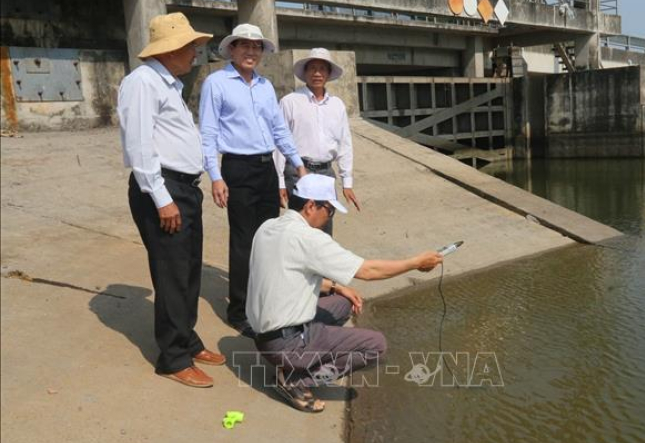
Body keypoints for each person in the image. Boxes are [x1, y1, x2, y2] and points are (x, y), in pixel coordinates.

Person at [246, 174, 443, 412]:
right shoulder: (308, 238)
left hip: (264, 336)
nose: (329, 217)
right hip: (286, 344)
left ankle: (294, 362)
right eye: (329, 210)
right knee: (376, 347)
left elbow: (287, 277)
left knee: (343, 302)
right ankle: (296, 380)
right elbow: (368, 271)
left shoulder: (268, 226)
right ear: (311, 206)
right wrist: (415, 262)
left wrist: (338, 287)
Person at [117, 12, 225, 388]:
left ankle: (187, 340)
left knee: (189, 270)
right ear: (170, 49)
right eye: (191, 47)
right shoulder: (143, 82)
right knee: (172, 274)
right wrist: (162, 198)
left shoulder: (169, 84)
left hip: (183, 189)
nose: (196, 52)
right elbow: (139, 145)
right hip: (162, 190)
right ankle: (173, 358)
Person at [199, 24, 307, 337]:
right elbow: (207, 133)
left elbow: (279, 130)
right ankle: (240, 311)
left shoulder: (264, 86)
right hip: (237, 168)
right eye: (244, 45)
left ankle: (266, 301)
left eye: (256, 46)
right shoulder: (216, 83)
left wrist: (297, 164)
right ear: (231, 49)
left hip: (265, 169)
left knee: (269, 239)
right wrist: (216, 176)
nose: (250, 51)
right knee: (244, 241)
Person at [276, 48, 359, 236]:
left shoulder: (337, 105)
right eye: (312, 68)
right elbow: (280, 142)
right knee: (299, 226)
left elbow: (344, 143)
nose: (317, 73)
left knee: (324, 225)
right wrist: (279, 181)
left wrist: (347, 181)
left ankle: (320, 265)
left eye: (322, 69)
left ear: (328, 74)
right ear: (305, 72)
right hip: (297, 172)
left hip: (325, 173)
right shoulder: (290, 101)